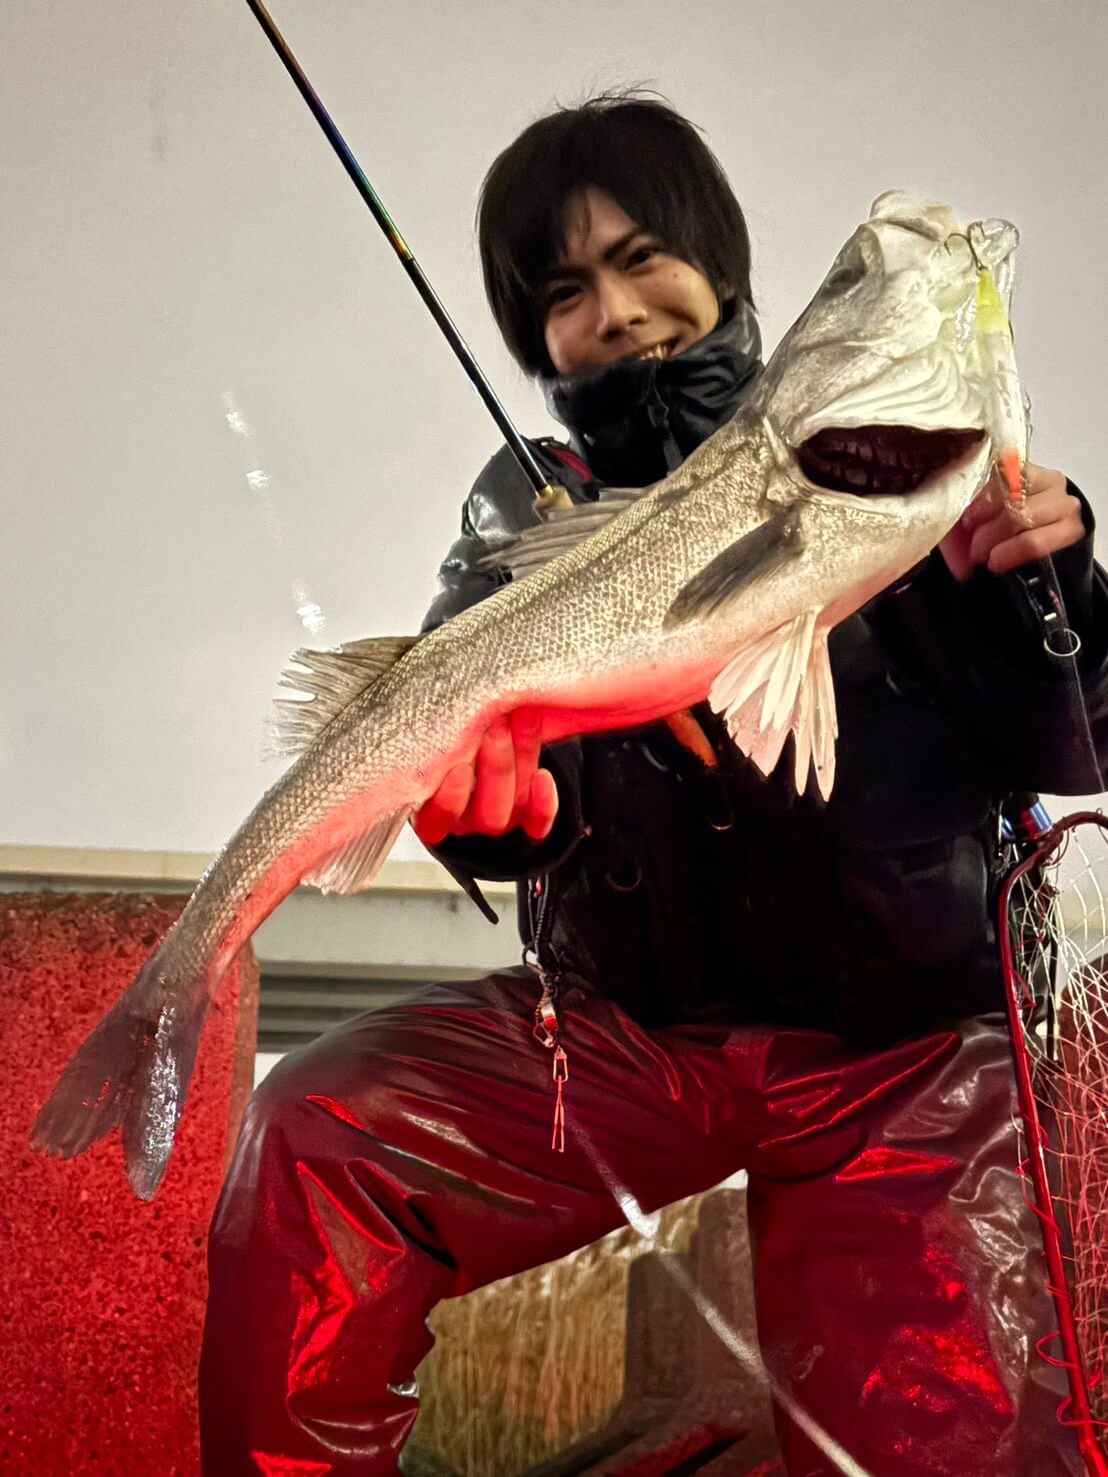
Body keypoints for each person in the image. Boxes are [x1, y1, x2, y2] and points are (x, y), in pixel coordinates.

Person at [199, 95, 1107, 1475]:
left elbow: (1077, 746)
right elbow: (494, 777)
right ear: (534, 338)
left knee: (949, 1434)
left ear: (728, 269)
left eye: (642, 259)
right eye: (565, 291)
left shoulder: (900, 462)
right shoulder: (519, 513)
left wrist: (1059, 591)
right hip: (622, 1039)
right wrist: (495, 815)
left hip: (906, 1053)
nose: (615, 311)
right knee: (316, 1132)